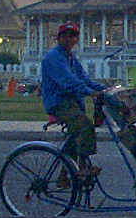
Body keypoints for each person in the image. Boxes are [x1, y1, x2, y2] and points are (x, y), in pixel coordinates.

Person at [41, 22, 107, 177]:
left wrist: (104, 90)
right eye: (65, 35)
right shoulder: (54, 58)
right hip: (59, 102)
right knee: (85, 126)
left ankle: (64, 177)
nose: (69, 39)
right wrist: (90, 93)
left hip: (72, 102)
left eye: (73, 36)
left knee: (74, 138)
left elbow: (85, 79)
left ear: (76, 39)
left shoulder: (71, 59)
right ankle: (82, 166)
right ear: (59, 38)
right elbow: (69, 81)